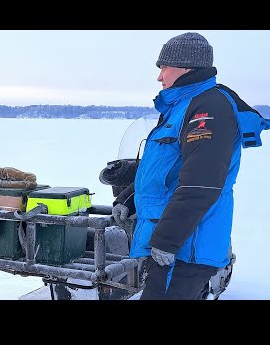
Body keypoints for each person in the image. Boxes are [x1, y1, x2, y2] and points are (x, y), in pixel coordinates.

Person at [111, 32, 269, 300]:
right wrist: (130, 200)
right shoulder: (182, 106)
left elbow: (200, 185)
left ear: (186, 67)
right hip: (173, 242)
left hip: (185, 247)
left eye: (164, 67)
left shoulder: (208, 107)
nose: (159, 76)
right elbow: (166, 173)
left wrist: (165, 243)